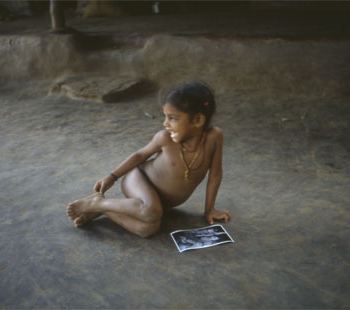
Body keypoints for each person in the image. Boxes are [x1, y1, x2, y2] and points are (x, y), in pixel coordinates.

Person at [67, 82, 230, 237]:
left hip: (159, 203)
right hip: (139, 178)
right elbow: (140, 155)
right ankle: (96, 203)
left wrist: (210, 209)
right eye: (165, 117)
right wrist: (112, 177)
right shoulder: (164, 138)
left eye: (172, 118)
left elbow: (215, 175)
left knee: (148, 229)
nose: (165, 123)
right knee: (150, 211)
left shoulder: (214, 137)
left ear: (197, 120)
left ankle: (103, 209)